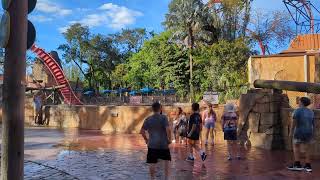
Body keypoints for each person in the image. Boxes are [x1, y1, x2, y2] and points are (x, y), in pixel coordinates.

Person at [140, 102, 172, 179]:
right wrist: (169, 139)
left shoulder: (148, 119)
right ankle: (166, 178)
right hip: (163, 144)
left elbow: (142, 131)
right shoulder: (164, 118)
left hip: (152, 145)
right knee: (166, 161)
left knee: (152, 162)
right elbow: (168, 129)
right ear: (160, 108)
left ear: (152, 109)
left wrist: (146, 140)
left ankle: (152, 178)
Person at [287, 97, 314, 172]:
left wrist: (291, 132)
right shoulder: (311, 112)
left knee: (296, 146)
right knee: (307, 148)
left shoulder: (297, 111)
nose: (298, 102)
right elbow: (312, 124)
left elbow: (294, 122)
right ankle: (308, 166)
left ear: (301, 102)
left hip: (299, 131)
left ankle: (297, 164)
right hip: (309, 132)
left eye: (299, 101)